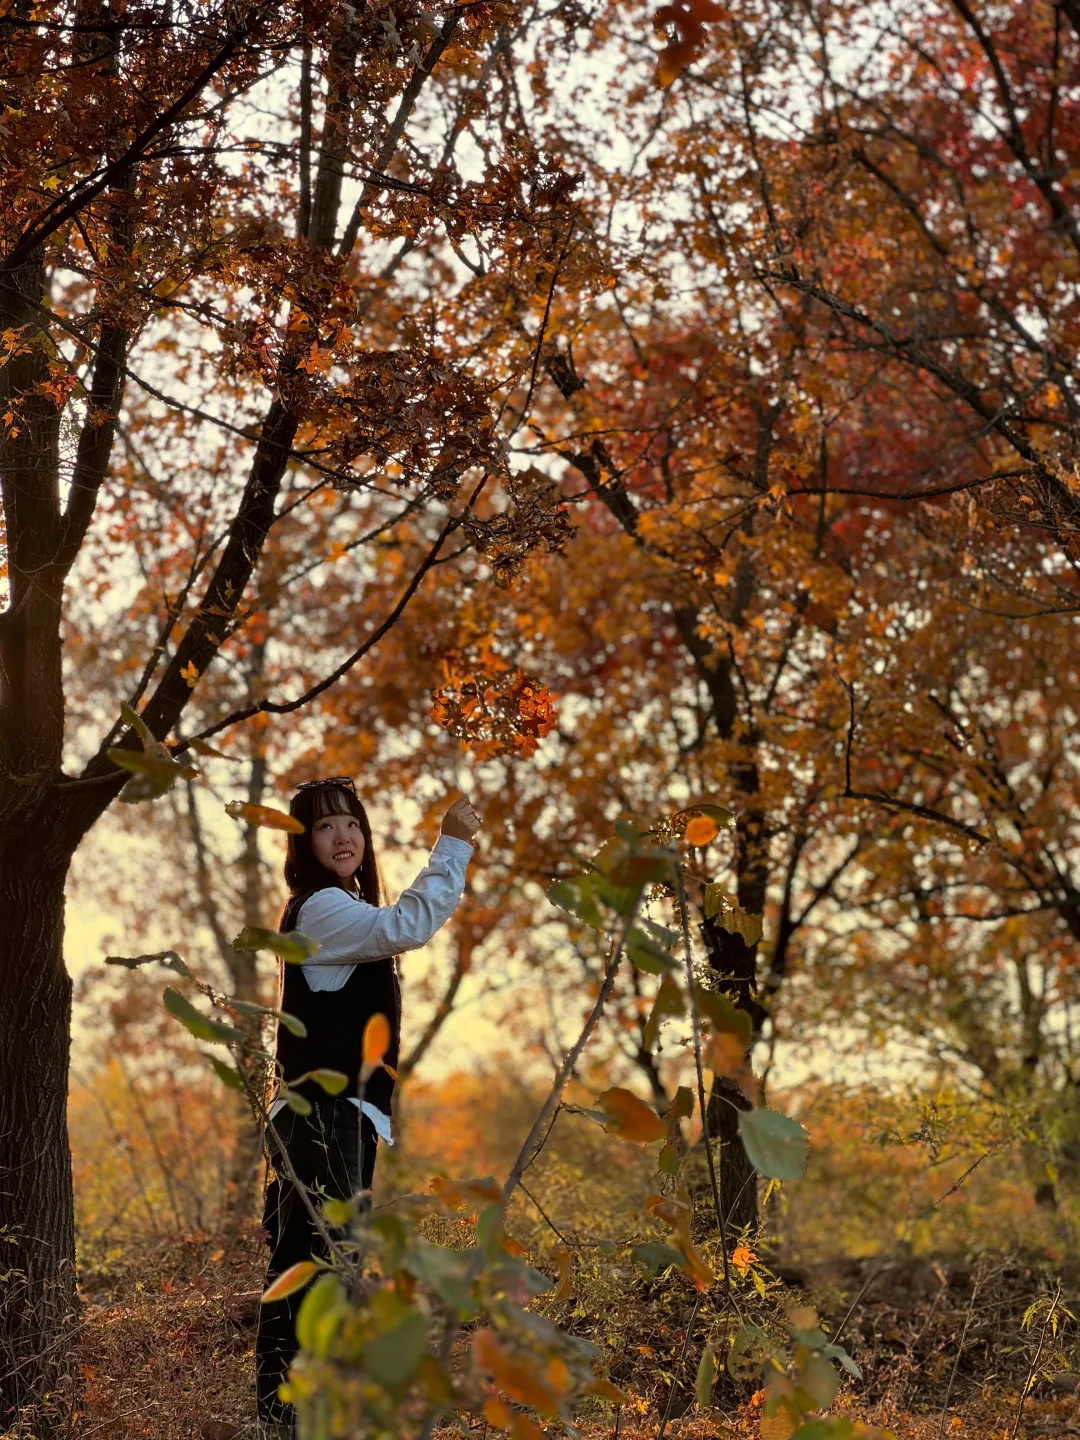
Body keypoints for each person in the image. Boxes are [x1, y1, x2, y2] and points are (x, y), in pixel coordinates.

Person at [255, 777, 480, 1439]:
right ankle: (292, 1420)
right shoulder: (323, 908)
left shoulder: (339, 907)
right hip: (324, 1115)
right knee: (321, 1272)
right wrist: (454, 845)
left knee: (313, 1269)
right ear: (304, 845)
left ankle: (296, 1418)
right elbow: (408, 925)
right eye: (324, 827)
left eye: (350, 822)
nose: (343, 835)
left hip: (330, 1116)